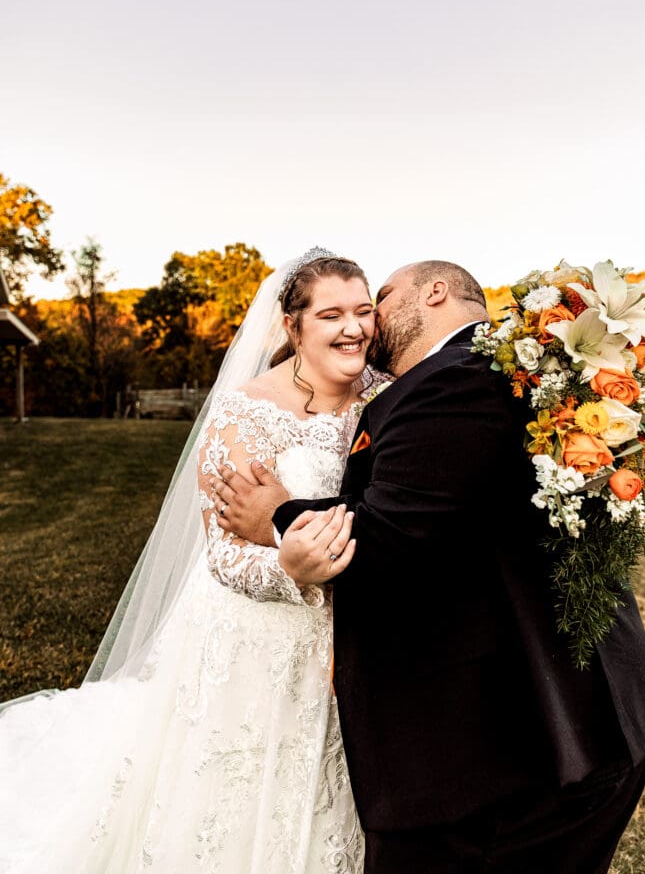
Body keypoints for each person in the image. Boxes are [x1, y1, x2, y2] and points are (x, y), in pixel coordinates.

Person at [213, 259, 645, 874]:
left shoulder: (451, 381)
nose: (366, 323)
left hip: (509, 759)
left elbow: (391, 534)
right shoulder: (517, 372)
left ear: (433, 292)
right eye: (336, 313)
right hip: (576, 718)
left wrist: (278, 514)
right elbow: (449, 514)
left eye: (379, 299)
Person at [0, 249, 379, 873]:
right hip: (259, 643)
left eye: (363, 311)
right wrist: (291, 567)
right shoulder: (246, 413)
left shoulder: (390, 396)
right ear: (293, 326)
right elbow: (226, 553)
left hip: (356, 638)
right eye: (331, 314)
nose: (353, 328)